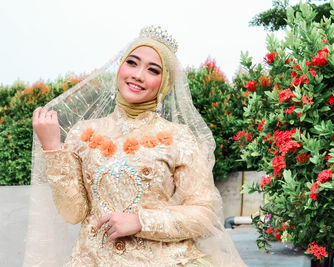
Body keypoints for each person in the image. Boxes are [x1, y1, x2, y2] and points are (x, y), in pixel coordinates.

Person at [26, 26, 247, 266]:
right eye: (132, 63)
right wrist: (52, 147)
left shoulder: (179, 138)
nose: (138, 75)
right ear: (120, 66)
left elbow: (204, 215)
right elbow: (73, 212)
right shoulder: (83, 134)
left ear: (166, 84)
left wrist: (141, 221)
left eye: (153, 70)